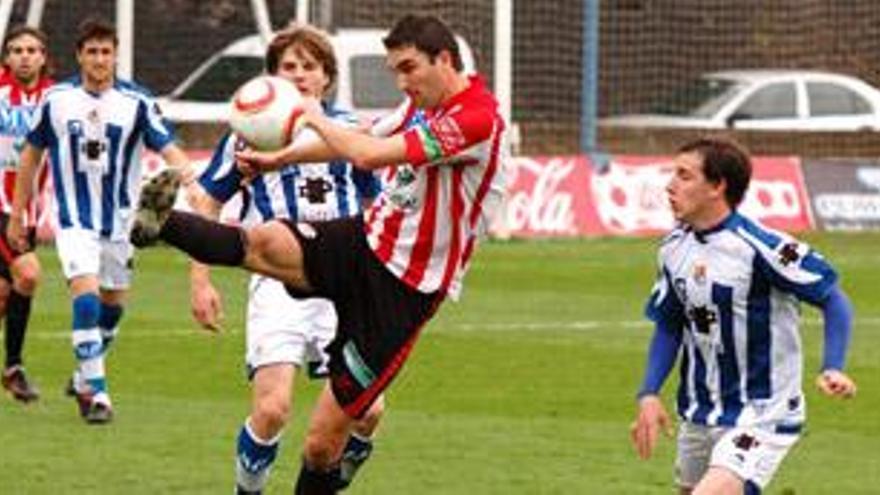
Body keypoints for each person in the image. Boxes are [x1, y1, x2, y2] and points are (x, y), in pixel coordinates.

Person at [132, 13, 507, 493]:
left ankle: (335, 469)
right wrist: (278, 158)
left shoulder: (475, 119)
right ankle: (157, 226)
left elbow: (369, 156)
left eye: (408, 68)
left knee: (320, 445)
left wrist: (308, 115)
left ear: (445, 60)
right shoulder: (420, 102)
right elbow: (366, 138)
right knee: (264, 241)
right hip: (363, 241)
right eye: (395, 70)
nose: (401, 81)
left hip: (400, 291)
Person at [186, 26, 385, 494]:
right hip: (277, 281)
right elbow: (208, 203)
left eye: (309, 67)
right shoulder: (246, 134)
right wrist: (201, 280)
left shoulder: (350, 134)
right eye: (287, 67)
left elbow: (379, 210)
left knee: (368, 412)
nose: (298, 75)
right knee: (272, 409)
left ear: (327, 78)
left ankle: (333, 477)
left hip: (343, 286)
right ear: (273, 77)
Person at [630, 137, 857, 495]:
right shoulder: (673, 248)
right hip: (700, 411)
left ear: (717, 187)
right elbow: (670, 324)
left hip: (764, 413)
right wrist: (649, 392)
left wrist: (832, 365)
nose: (670, 185)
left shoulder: (761, 246)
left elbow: (834, 299)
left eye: (685, 176)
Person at [6, 17, 193, 424]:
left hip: (121, 222)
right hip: (74, 220)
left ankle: (81, 375)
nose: (99, 59)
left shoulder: (136, 102)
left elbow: (167, 146)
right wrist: (19, 213)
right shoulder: (56, 99)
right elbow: (31, 156)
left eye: (106, 51)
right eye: (91, 52)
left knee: (112, 307)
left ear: (115, 56)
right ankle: (97, 393)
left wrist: (188, 175)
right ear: (79, 56)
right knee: (86, 296)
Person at [0, 25, 54, 403]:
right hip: (0, 208)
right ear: (6, 58)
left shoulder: (57, 99)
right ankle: (14, 367)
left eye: (32, 50)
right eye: (16, 49)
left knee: (5, 295)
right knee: (29, 273)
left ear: (43, 56)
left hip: (29, 212)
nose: (24, 56)